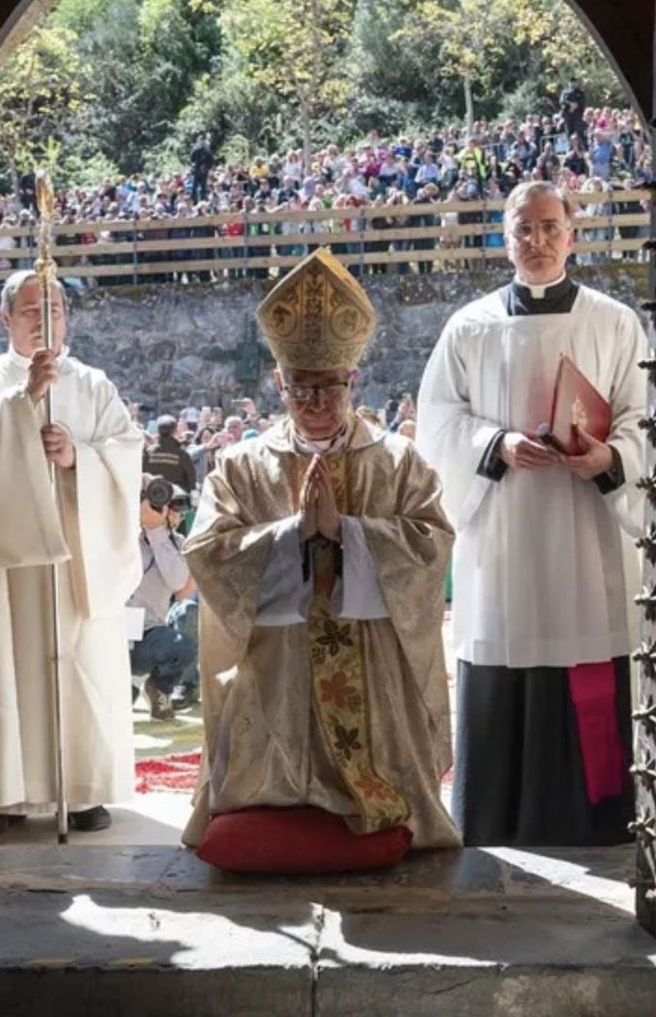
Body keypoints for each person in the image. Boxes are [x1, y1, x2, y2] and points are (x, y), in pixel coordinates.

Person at [180, 248, 461, 854]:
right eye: (300, 390)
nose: (315, 404)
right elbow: (206, 551)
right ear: (279, 383)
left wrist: (348, 535)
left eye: (328, 388)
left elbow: (433, 544)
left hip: (373, 659)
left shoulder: (396, 461)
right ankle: (278, 793)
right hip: (275, 664)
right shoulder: (242, 465)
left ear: (352, 380)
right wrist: (292, 538)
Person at [416, 179, 651, 846]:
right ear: (504, 236)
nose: (537, 242)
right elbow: (437, 422)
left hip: (587, 535)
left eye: (550, 227)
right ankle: (495, 819)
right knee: (502, 656)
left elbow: (646, 415)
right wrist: (495, 444)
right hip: (503, 535)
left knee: (590, 655)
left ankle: (597, 820)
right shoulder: (470, 325)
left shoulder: (614, 322)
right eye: (523, 229)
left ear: (573, 234)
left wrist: (610, 457)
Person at [0, 269, 144, 834]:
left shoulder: (92, 384)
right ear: (5, 318)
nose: (45, 319)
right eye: (32, 310)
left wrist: (78, 456)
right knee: (8, 664)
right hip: (9, 561)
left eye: (54, 307)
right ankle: (6, 792)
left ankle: (80, 790)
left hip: (76, 557)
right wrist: (22, 402)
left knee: (77, 662)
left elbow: (126, 450)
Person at [128, 476, 199, 720]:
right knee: (117, 710)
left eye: (174, 508)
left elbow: (179, 583)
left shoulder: (179, 545)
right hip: (110, 634)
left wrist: (157, 533)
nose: (173, 514)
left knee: (182, 647)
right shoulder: (124, 536)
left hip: (149, 635)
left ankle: (160, 688)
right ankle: (132, 685)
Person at [144, 414, 197, 493]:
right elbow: (191, 481)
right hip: (177, 500)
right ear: (175, 431)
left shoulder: (148, 452)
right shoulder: (182, 455)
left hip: (152, 498)